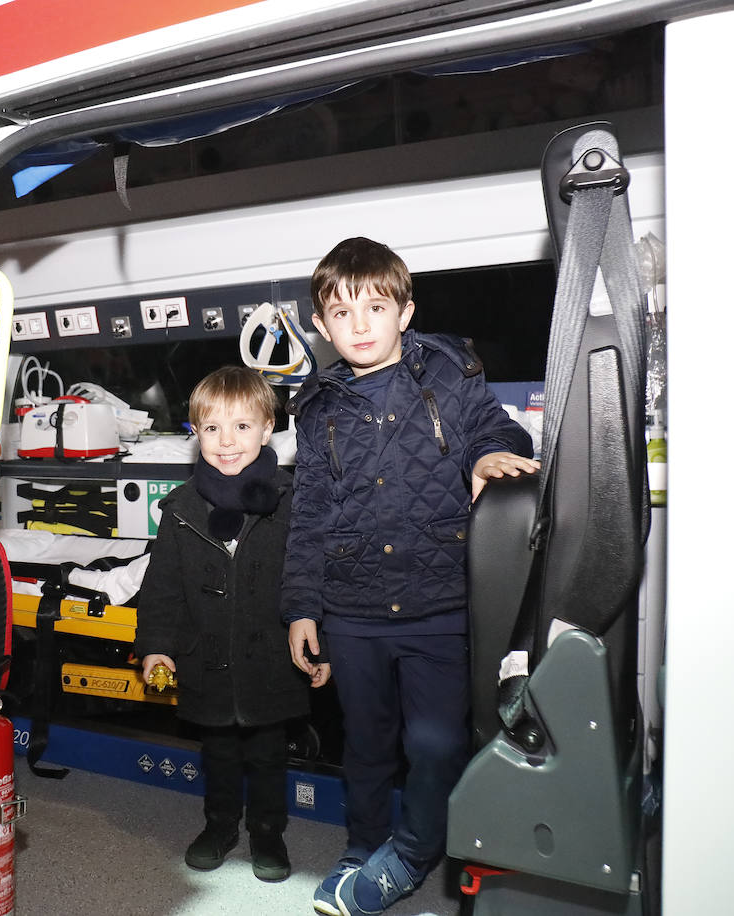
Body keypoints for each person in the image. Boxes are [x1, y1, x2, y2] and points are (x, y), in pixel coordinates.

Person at [284, 238, 538, 915]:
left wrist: (488, 458)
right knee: (365, 744)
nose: (360, 324)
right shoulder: (316, 408)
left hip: (441, 604)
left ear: (406, 311)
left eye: (375, 306)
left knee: (435, 742)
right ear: (321, 326)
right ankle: (364, 844)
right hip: (353, 609)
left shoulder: (450, 375)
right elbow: (309, 513)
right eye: (342, 312)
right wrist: (303, 607)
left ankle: (414, 851)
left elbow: (502, 432)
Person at [134, 365, 330, 883]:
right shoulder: (179, 510)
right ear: (195, 434)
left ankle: (268, 832)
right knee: (217, 752)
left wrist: (321, 649)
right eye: (212, 428)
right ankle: (219, 826)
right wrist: (156, 645)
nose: (226, 442)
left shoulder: (293, 503)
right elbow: (162, 587)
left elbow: (315, 580)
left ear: (268, 429)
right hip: (208, 659)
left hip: (272, 660)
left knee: (268, 755)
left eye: (242, 427)